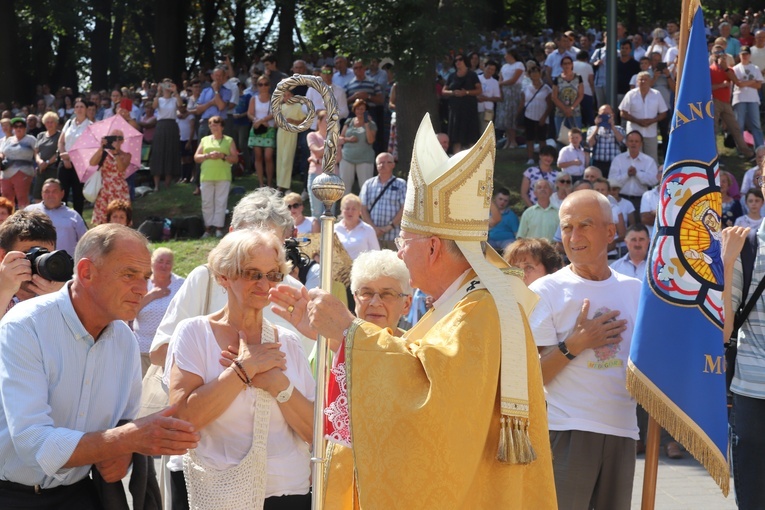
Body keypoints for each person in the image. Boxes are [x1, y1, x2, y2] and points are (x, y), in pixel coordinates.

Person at [269, 115, 555, 509]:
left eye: (405, 242)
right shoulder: (465, 303)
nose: (399, 252)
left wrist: (351, 330)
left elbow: (430, 399)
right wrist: (337, 332)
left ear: (434, 248)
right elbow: (423, 365)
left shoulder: (482, 309)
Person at [0, 224, 200, 508]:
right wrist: (125, 440)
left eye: (145, 277)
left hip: (81, 494)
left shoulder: (125, 341)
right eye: (129, 274)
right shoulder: (25, 326)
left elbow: (123, 423)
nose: (142, 289)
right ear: (86, 272)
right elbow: (33, 442)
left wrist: (123, 454)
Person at [164, 229, 313, 509]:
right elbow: (183, 420)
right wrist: (243, 370)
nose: (263, 284)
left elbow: (314, 432)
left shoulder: (289, 342)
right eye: (252, 273)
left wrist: (277, 384)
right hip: (216, 490)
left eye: (272, 275)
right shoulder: (195, 333)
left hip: (288, 492)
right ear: (224, 276)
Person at [529, 190, 640, 509]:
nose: (574, 236)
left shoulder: (634, 290)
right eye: (566, 227)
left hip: (623, 430)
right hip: (568, 432)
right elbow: (532, 377)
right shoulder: (546, 291)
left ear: (610, 231)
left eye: (585, 225)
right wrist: (574, 344)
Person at [0, 210, 64, 319]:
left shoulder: (65, 292)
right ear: (2, 256)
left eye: (44, 255)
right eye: (29, 254)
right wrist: (4, 292)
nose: (37, 263)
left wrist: (60, 300)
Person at [133, 247, 184, 377]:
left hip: (169, 349)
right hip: (143, 348)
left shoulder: (181, 284)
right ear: (151, 262)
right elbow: (131, 311)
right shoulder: (141, 283)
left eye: (168, 262)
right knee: (142, 389)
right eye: (160, 261)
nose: (164, 265)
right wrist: (152, 295)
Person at [194, 115, 239, 238]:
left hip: (223, 175)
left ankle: (219, 228)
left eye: (216, 124)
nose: (213, 127)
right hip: (206, 175)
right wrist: (207, 156)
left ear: (222, 126)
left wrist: (223, 156)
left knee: (221, 202)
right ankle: (208, 229)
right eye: (211, 124)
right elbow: (196, 157)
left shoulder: (229, 140)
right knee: (207, 202)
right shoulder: (205, 140)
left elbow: (235, 158)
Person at [711, 45, 755, 159]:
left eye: (721, 52)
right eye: (716, 52)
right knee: (713, 130)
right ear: (712, 55)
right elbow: (706, 88)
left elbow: (736, 82)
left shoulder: (729, 69)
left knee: (735, 128)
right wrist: (722, 85)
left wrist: (725, 68)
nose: (719, 55)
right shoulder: (709, 70)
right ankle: (714, 156)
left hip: (726, 103)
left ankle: (748, 153)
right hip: (714, 102)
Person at [25, 178, 87, 256]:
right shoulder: (30, 212)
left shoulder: (73, 216)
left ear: (62, 193)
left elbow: (85, 242)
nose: (50, 195)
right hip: (36, 262)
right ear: (42, 194)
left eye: (54, 191)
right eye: (47, 191)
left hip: (66, 263)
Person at [359, 152, 407, 250]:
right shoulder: (368, 184)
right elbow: (362, 208)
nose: (383, 165)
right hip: (373, 236)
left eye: (387, 162)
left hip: (394, 236)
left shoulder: (401, 184)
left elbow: (405, 208)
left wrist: (389, 227)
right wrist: (373, 229)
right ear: (376, 166)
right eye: (380, 163)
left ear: (393, 165)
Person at [618, 72, 668, 164]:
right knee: (633, 159)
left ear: (650, 81)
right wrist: (637, 121)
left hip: (651, 132)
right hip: (634, 133)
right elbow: (623, 113)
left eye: (645, 79)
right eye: (641, 79)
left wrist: (652, 121)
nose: (643, 81)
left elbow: (663, 113)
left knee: (652, 160)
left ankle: (652, 178)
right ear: (637, 81)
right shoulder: (630, 94)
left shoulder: (656, 94)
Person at [609, 131, 659, 213]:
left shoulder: (649, 161)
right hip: (621, 199)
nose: (633, 144)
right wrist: (627, 175)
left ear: (641, 143)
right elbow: (611, 181)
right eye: (631, 141)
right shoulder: (618, 159)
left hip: (641, 200)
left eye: (636, 141)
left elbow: (654, 180)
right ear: (626, 143)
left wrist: (638, 174)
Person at [89, 130, 132, 226]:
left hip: (119, 189)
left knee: (120, 215)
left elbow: (121, 168)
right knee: (103, 219)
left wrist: (116, 153)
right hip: (105, 188)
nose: (116, 141)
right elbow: (92, 162)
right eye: (113, 138)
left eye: (119, 138)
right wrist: (101, 148)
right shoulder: (104, 153)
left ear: (122, 141)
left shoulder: (126, 155)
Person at [57, 98, 92, 215]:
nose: (79, 109)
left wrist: (71, 157)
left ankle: (78, 222)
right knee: (62, 194)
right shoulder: (68, 123)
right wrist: (64, 158)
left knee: (78, 196)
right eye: (77, 107)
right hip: (64, 163)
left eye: (82, 106)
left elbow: (90, 148)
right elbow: (61, 142)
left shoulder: (90, 126)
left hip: (80, 165)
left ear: (86, 109)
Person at [442, 53, 482, 153]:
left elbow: (479, 90)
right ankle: (456, 159)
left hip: (469, 109)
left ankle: (471, 158)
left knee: (471, 135)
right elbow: (444, 91)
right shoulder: (452, 76)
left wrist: (466, 92)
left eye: (460, 59)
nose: (458, 62)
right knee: (456, 136)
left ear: (465, 61)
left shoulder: (472, 75)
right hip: (455, 110)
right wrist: (453, 92)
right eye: (456, 61)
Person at [150, 79, 183, 191]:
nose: (167, 86)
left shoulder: (174, 99)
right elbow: (154, 106)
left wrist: (175, 91)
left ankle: (167, 184)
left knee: (170, 151)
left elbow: (180, 105)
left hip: (172, 125)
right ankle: (156, 185)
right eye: (165, 84)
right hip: (161, 126)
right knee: (158, 152)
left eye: (169, 84)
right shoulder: (159, 99)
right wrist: (158, 92)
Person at [339, 99, 377, 194]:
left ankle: (365, 207)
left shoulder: (372, 124)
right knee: (345, 186)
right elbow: (341, 137)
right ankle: (345, 207)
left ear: (366, 111)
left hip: (365, 159)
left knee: (365, 187)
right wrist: (349, 139)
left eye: (362, 109)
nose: (360, 111)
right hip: (347, 157)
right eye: (358, 109)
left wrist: (367, 125)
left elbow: (371, 140)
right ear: (354, 110)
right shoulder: (348, 122)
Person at [0, 117, 37, 209]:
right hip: (6, 173)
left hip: (23, 171)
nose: (18, 128)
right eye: (15, 127)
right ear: (13, 128)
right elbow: (2, 153)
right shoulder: (8, 140)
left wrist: (39, 163)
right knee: (6, 198)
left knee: (22, 198)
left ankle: (23, 221)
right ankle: (6, 221)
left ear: (25, 128)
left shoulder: (31, 139)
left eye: (21, 126)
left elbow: (37, 154)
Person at [732, 46, 765, 151]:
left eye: (746, 54)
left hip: (753, 99)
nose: (744, 56)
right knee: (739, 125)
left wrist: (746, 83)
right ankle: (741, 149)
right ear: (740, 55)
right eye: (742, 54)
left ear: (749, 55)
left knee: (756, 124)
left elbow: (759, 85)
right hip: (739, 98)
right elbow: (738, 83)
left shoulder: (755, 68)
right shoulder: (735, 68)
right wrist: (752, 82)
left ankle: (759, 147)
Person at [275, 89, 307, 192]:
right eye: (285, 96)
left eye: (289, 95)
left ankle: (285, 186)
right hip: (281, 133)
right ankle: (281, 185)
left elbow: (303, 120)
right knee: (280, 158)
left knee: (287, 159)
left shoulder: (298, 107)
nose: (287, 97)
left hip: (291, 134)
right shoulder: (281, 107)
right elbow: (276, 124)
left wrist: (293, 121)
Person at [248, 76, 276, 188]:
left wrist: (263, 120)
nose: (263, 86)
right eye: (260, 84)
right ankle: (260, 183)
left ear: (269, 85)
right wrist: (256, 120)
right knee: (258, 157)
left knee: (268, 157)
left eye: (265, 84)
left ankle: (269, 183)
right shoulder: (253, 99)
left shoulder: (274, 98)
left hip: (269, 128)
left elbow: (275, 113)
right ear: (257, 86)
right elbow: (249, 113)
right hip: (257, 128)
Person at [521, 66, 553, 165]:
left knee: (542, 139)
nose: (534, 74)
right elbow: (522, 102)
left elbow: (550, 105)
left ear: (540, 74)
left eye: (536, 72)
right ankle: (530, 158)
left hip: (542, 116)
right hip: (529, 115)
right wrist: (517, 115)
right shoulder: (525, 87)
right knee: (529, 138)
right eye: (532, 72)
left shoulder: (546, 88)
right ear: (529, 75)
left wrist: (544, 117)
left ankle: (543, 158)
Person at [495, 49, 525, 149]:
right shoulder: (504, 66)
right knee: (505, 117)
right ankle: (508, 140)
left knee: (512, 115)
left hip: (514, 91)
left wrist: (501, 84)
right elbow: (500, 78)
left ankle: (513, 140)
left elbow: (513, 80)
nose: (505, 56)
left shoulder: (519, 65)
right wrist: (500, 87)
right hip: (505, 92)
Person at [334, 193, 379, 260]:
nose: (350, 212)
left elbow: (376, 255)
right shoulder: (334, 229)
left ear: (359, 211)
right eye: (347, 208)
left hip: (361, 269)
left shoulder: (368, 230)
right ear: (341, 210)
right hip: (337, 269)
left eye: (354, 209)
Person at [587, 104, 626, 178]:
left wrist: (613, 127)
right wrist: (597, 127)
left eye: (608, 114)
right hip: (598, 163)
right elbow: (590, 143)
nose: (605, 117)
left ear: (613, 115)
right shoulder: (592, 129)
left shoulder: (619, 129)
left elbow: (623, 142)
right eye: (603, 114)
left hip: (614, 163)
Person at [551, 56, 584, 135]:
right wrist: (565, 109)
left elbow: (581, 95)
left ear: (572, 65)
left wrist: (571, 108)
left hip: (575, 112)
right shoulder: (557, 79)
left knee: (576, 135)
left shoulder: (578, 77)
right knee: (561, 136)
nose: (567, 65)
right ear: (561, 65)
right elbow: (554, 97)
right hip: (560, 112)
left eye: (569, 63)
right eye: (565, 63)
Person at [33, 111, 61, 203]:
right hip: (41, 169)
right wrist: (40, 162)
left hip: (53, 169)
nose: (50, 124)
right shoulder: (40, 135)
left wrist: (47, 162)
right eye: (47, 122)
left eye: (52, 122)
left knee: (52, 194)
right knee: (38, 194)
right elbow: (36, 152)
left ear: (56, 123)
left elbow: (58, 152)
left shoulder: (60, 135)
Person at [488, 187, 520, 252]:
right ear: (495, 198)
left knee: (510, 249)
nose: (502, 202)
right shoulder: (488, 213)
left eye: (505, 201)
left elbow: (517, 234)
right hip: (491, 240)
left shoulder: (511, 216)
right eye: (500, 199)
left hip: (507, 240)